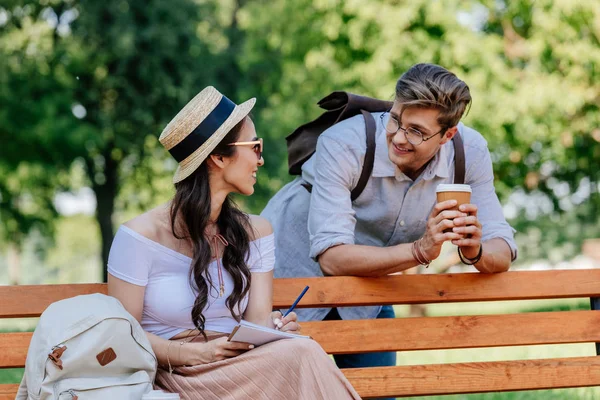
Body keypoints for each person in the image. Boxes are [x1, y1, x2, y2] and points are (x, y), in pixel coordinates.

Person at [261, 63, 518, 398]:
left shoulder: (469, 152)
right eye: (395, 119)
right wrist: (418, 251)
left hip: (369, 292)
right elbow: (332, 258)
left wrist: (476, 250)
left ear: (448, 135)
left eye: (416, 131)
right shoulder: (345, 143)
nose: (398, 137)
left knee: (381, 393)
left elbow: (502, 247)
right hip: (290, 280)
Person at [107, 86, 360, 400]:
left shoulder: (256, 232)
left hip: (242, 368)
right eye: (254, 146)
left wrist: (273, 328)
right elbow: (122, 337)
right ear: (218, 157)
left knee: (299, 350)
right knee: (302, 355)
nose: (261, 159)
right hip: (175, 374)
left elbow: (256, 321)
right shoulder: (139, 237)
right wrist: (197, 354)